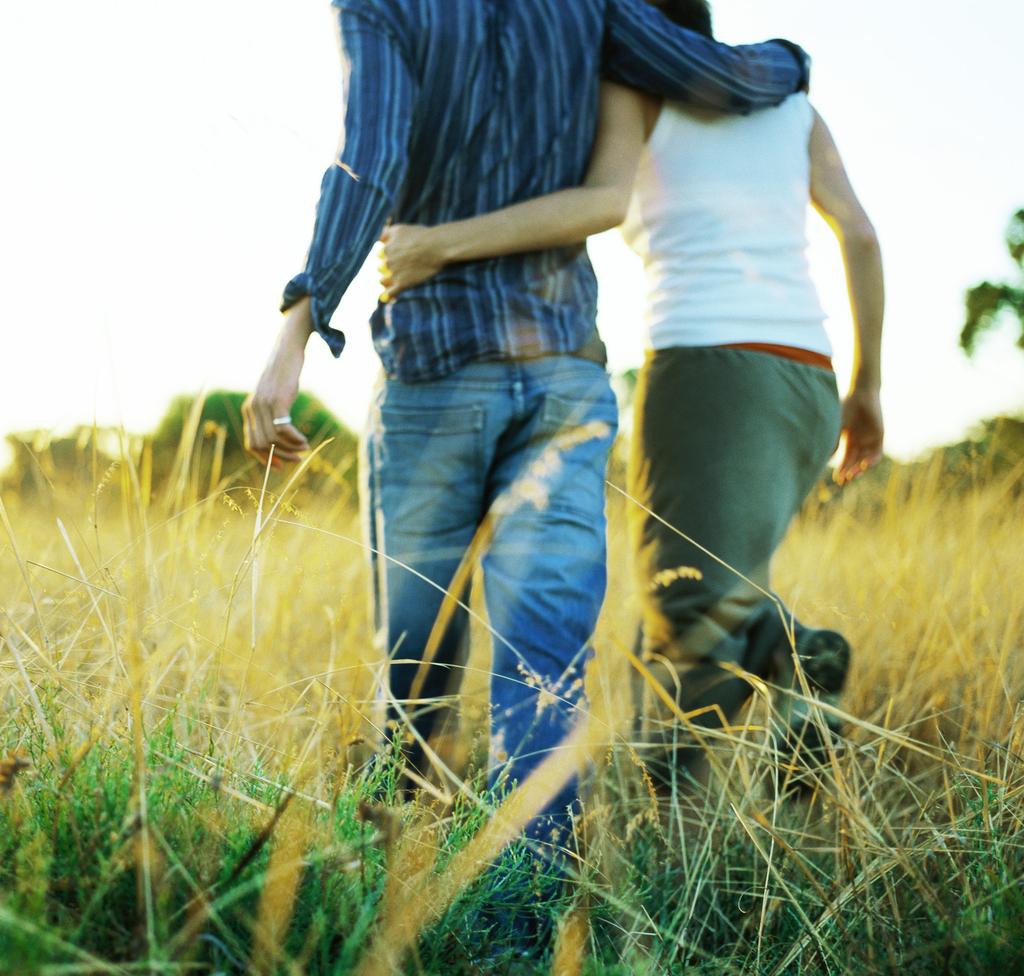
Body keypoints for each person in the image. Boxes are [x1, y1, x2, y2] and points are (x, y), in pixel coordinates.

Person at [242, 0, 811, 862]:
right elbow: (716, 74)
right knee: (541, 676)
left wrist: (299, 322)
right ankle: (527, 926)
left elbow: (372, 156)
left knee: (415, 673)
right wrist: (788, 61)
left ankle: (401, 887)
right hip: (562, 379)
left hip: (436, 374)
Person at [377, 0, 884, 789]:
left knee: (680, 596)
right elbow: (858, 233)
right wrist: (867, 386)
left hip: (710, 369)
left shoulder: (632, 90)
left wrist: (438, 243)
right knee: (712, 581)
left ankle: (736, 726)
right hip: (808, 379)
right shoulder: (788, 100)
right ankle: (764, 705)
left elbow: (603, 201)